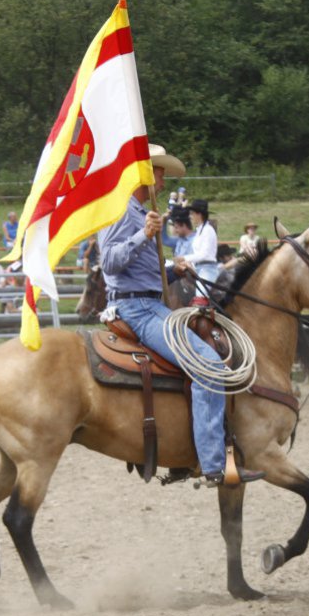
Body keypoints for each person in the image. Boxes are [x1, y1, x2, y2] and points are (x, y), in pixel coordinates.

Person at [97, 143, 263, 487]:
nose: (163, 180)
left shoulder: (139, 211)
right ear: (142, 172)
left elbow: (142, 272)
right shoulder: (120, 212)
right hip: (139, 309)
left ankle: (182, 453)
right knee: (207, 361)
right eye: (158, 171)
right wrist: (144, 234)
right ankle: (214, 464)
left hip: (152, 302)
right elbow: (110, 262)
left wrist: (174, 271)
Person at [176, 199, 219, 307]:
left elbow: (204, 254)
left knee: (200, 299)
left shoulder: (208, 230)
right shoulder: (199, 230)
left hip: (208, 269)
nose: (191, 216)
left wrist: (184, 258)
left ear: (199, 214)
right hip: (198, 268)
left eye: (192, 214)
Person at [161, 208, 194, 284]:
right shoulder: (179, 240)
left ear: (184, 225)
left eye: (176, 227)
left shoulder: (195, 240)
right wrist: (164, 220)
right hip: (177, 270)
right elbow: (164, 239)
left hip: (186, 273)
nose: (175, 231)